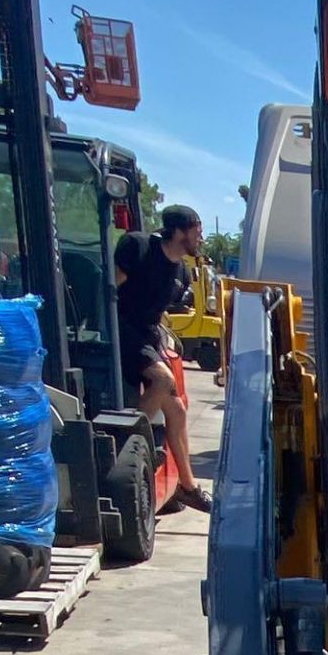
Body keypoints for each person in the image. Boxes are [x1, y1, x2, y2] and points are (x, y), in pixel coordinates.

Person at [114, 204, 212, 513]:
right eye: (197, 232)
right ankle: (133, 442)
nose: (201, 238)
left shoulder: (181, 270)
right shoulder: (138, 248)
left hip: (146, 335)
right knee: (163, 379)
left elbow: (158, 311)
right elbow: (109, 290)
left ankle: (187, 486)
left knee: (179, 410)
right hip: (119, 328)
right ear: (180, 232)